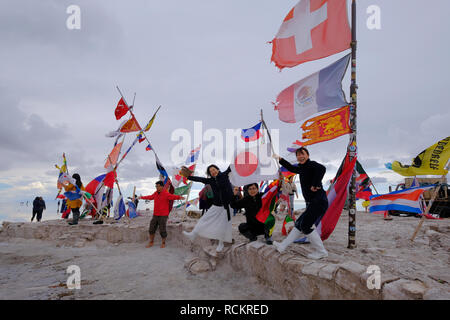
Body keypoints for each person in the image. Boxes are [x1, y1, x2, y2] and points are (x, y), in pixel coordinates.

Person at [272, 147, 329, 259]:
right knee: (299, 224)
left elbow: (322, 168)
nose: (300, 156)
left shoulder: (311, 164)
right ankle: (282, 246)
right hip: (312, 202)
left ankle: (321, 251)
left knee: (305, 225)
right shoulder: (302, 168)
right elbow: (291, 168)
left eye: (302, 154)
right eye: (298, 155)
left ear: (307, 155)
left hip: (319, 201)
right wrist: (280, 159)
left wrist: (316, 184)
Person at [181, 164, 234, 252]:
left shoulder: (225, 175)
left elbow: (231, 167)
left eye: (214, 169)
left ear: (218, 169)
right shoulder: (210, 181)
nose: (213, 172)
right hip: (216, 205)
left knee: (223, 225)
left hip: (227, 205)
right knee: (204, 219)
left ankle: (221, 243)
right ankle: (193, 234)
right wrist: (188, 177)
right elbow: (199, 179)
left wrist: (237, 157)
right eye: (211, 171)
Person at [139, 181, 185, 248]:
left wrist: (179, 197)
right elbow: (150, 197)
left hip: (163, 215)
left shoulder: (166, 193)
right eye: (156, 186)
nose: (156, 187)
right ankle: (151, 242)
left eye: (158, 186)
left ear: (162, 186)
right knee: (151, 229)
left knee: (162, 229)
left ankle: (163, 242)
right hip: (155, 214)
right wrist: (141, 197)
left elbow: (172, 196)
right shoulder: (155, 193)